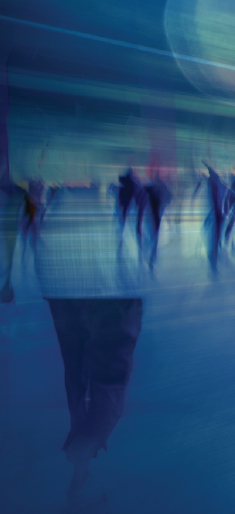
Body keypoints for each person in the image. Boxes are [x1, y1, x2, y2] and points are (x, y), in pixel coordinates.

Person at [30, 175, 145, 504]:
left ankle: (79, 471)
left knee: (76, 372)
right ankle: (86, 448)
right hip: (109, 302)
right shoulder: (107, 218)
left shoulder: (53, 219)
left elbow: (41, 264)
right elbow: (131, 264)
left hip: (63, 302)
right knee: (109, 380)